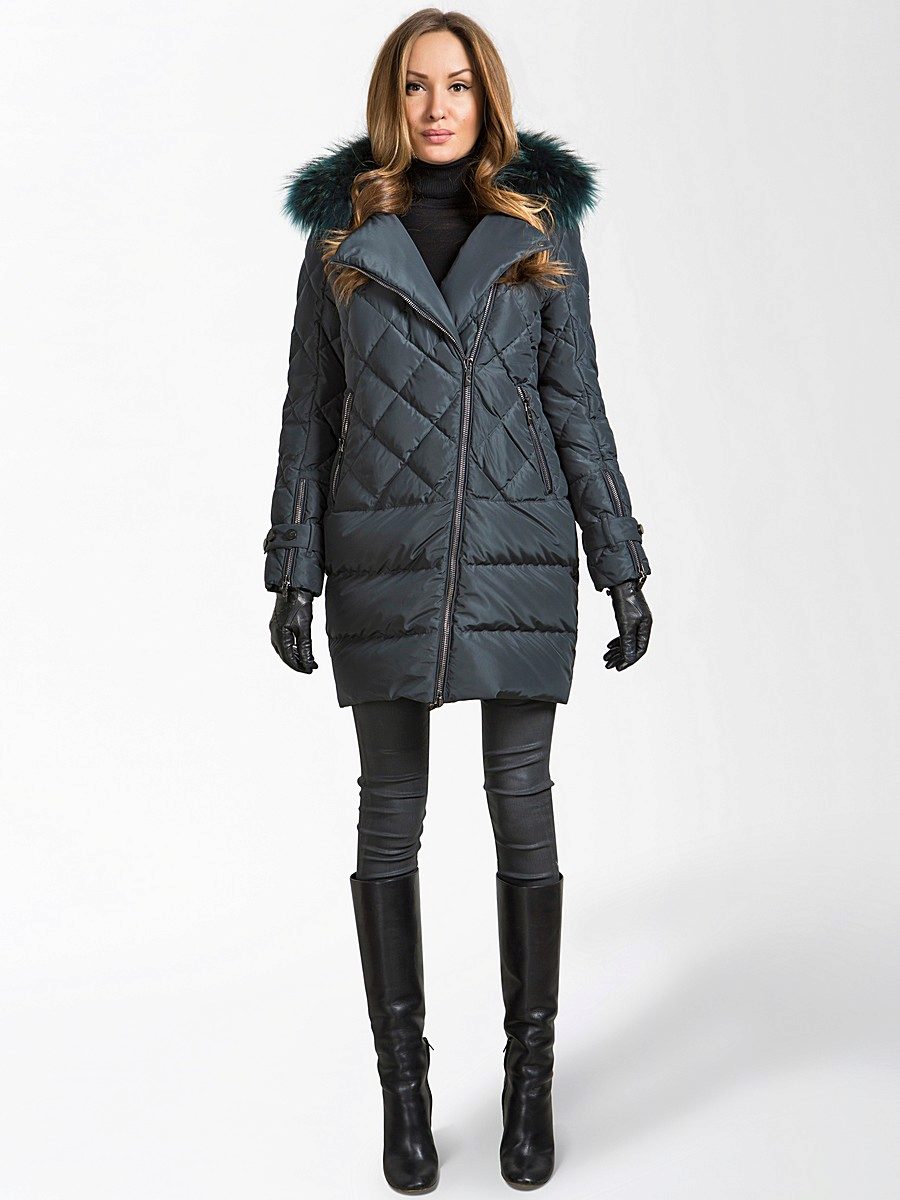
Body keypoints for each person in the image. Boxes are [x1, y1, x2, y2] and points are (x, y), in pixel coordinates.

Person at [262, 9, 653, 1193]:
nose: (439, 107)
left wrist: (621, 562)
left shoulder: (539, 225)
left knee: (521, 805)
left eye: (460, 85)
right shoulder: (342, 233)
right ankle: (408, 1100)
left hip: (515, 546)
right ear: (393, 101)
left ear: (489, 100)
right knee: (390, 817)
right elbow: (309, 409)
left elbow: (576, 401)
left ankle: (530, 1090)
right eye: (417, 86)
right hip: (381, 548)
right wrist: (293, 567)